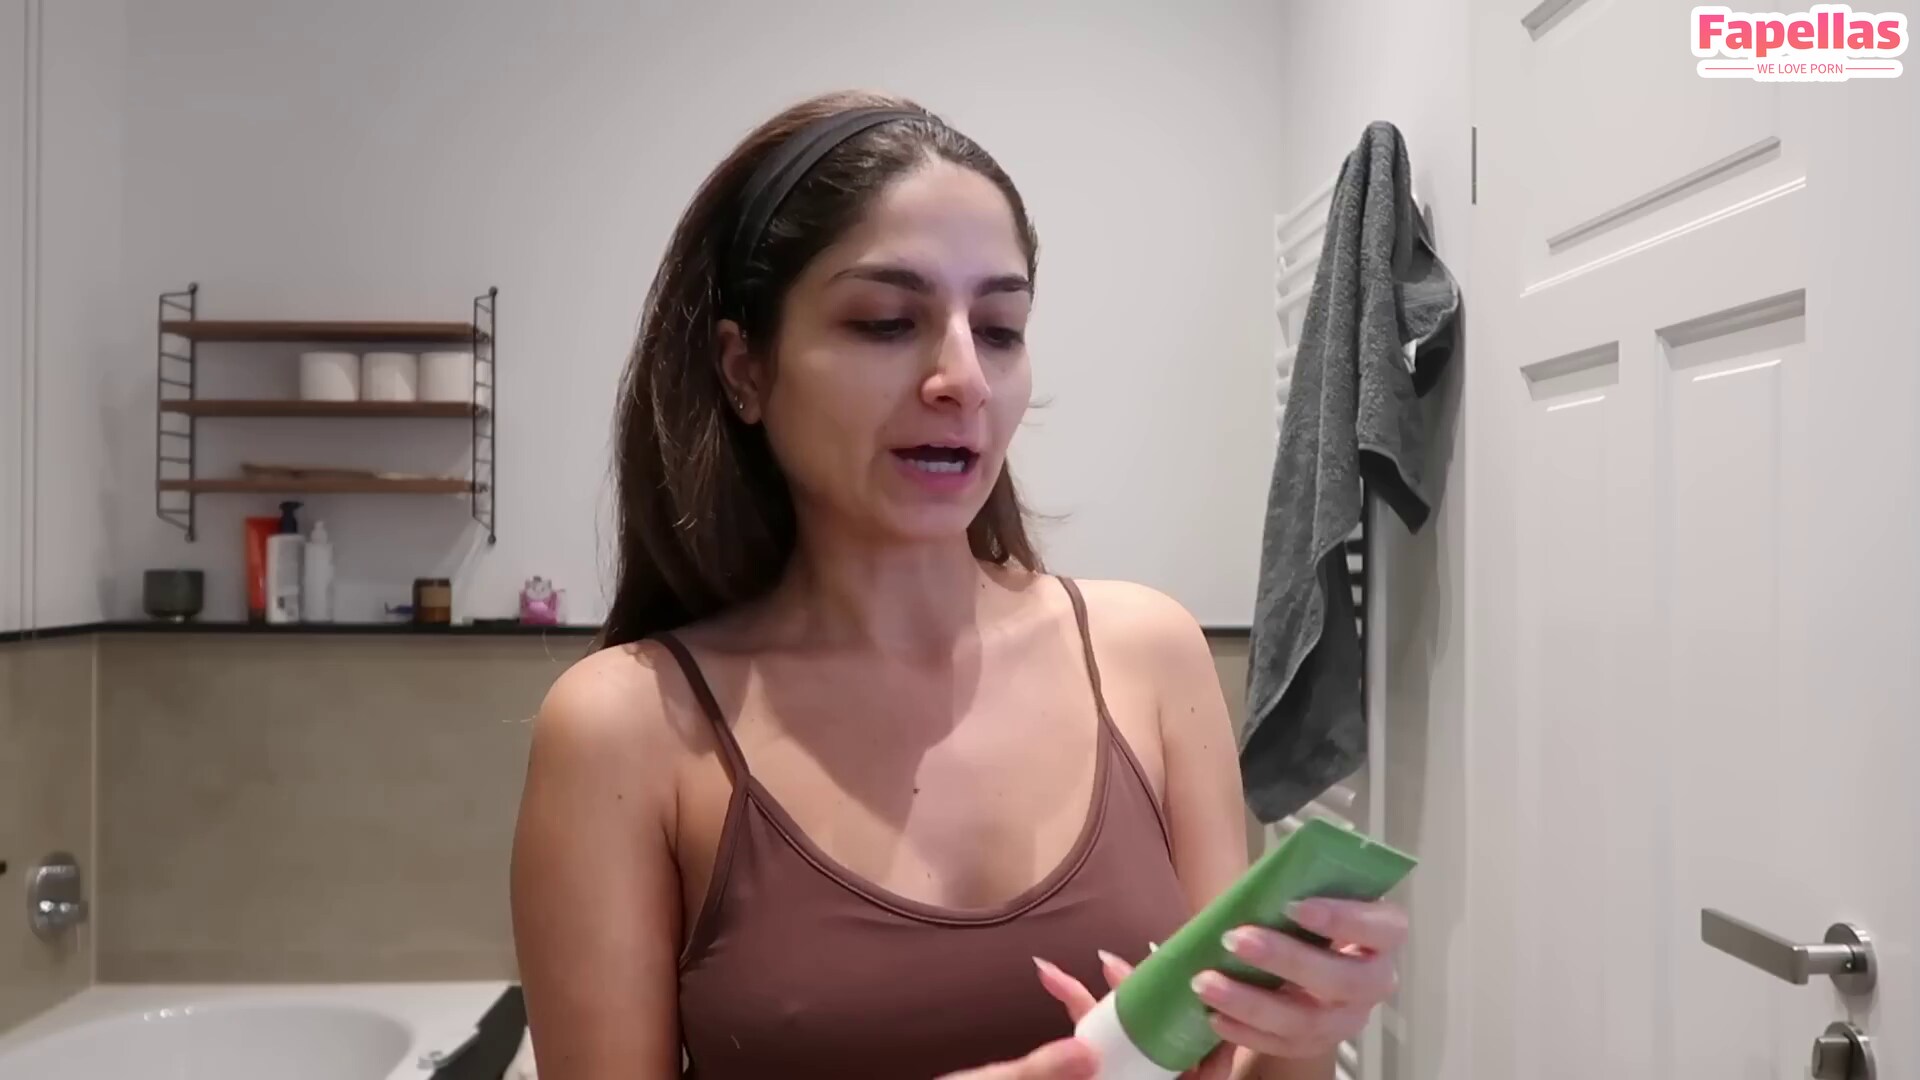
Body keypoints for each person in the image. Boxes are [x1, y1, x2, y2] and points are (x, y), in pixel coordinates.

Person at [510, 89, 1407, 1080]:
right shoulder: (625, 726)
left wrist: (1297, 1038)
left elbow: (1221, 1065)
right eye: (886, 322)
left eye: (1001, 328)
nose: (963, 378)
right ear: (743, 369)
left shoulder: (1147, 654)